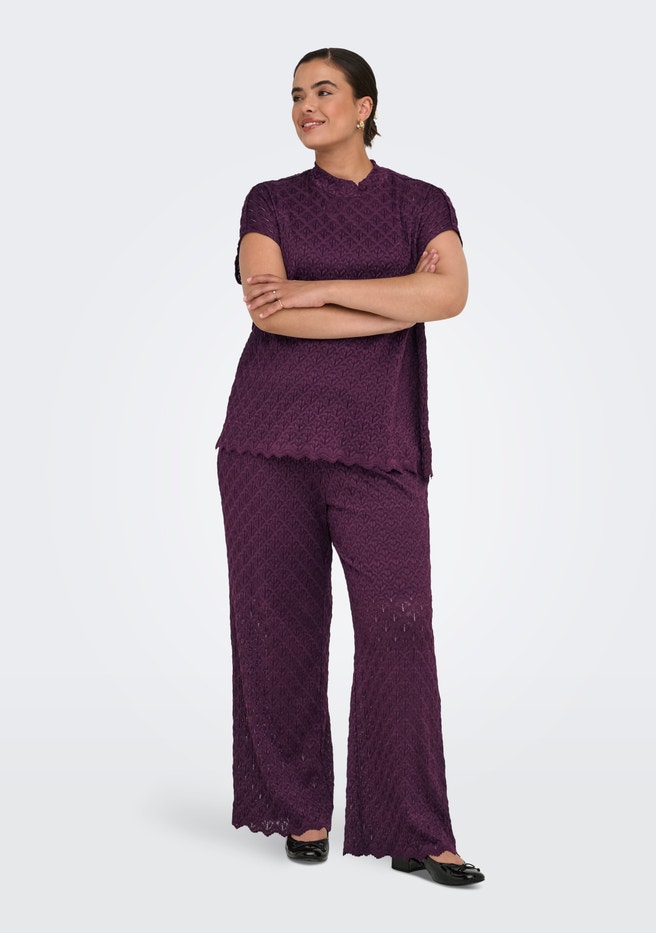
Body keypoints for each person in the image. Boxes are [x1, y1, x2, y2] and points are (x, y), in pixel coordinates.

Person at [215, 47, 484, 887]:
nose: (307, 105)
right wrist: (391, 297)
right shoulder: (269, 201)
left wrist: (316, 288)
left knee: (400, 630)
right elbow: (273, 316)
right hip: (266, 443)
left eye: (324, 91)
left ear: (365, 105)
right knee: (276, 627)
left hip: (381, 445)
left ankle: (415, 828)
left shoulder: (421, 202)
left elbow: (448, 297)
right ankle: (298, 807)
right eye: (297, 93)